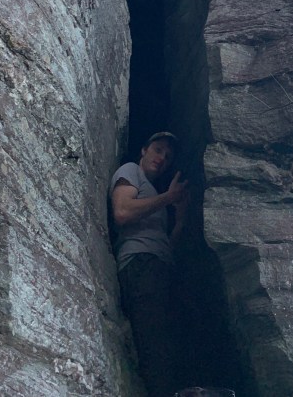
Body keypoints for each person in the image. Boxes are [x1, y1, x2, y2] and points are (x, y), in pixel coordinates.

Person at [110, 131, 189, 397]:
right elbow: (122, 211)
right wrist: (168, 197)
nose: (162, 157)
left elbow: (163, 245)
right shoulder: (131, 170)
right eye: (157, 149)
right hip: (140, 264)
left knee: (165, 346)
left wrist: (180, 219)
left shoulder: (154, 195)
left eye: (168, 156)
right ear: (143, 150)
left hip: (158, 266)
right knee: (155, 346)